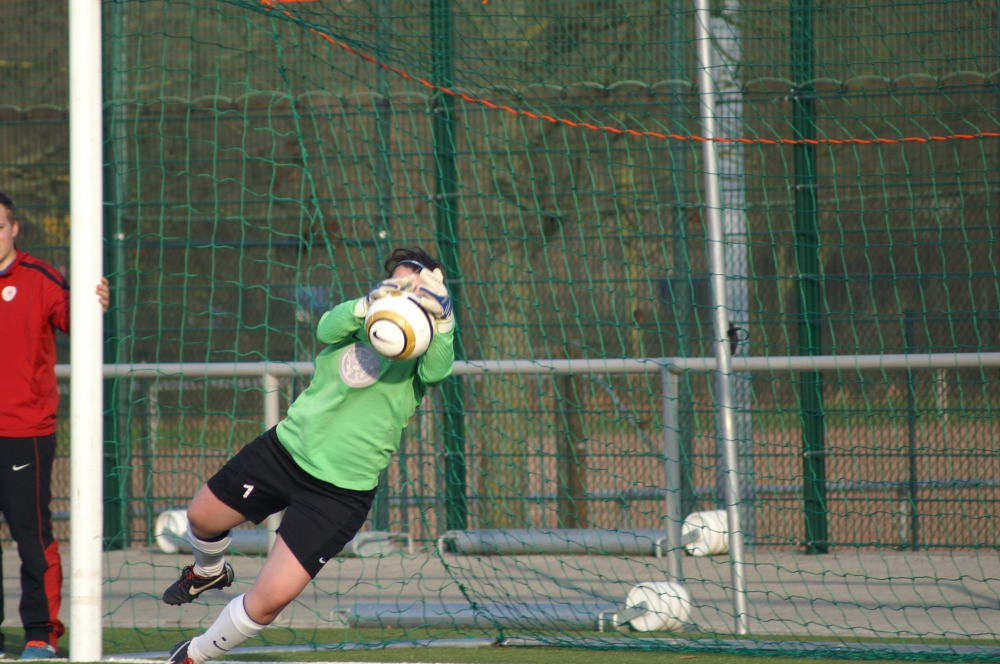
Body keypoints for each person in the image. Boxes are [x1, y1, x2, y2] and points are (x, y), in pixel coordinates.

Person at [162, 247, 455, 664]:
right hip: (285, 452)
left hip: (338, 493)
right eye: (396, 282)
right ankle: (209, 572)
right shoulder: (355, 322)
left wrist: (444, 321)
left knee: (270, 599)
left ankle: (193, 654)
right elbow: (325, 327)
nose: (403, 291)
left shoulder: (426, 351)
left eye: (416, 286)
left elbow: (439, 371)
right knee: (202, 518)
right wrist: (367, 303)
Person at [0, 191, 110, 659]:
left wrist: (94, 303)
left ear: (14, 229)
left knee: (32, 536)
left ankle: (41, 634)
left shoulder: (40, 278)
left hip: (24, 432)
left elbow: (75, 321)